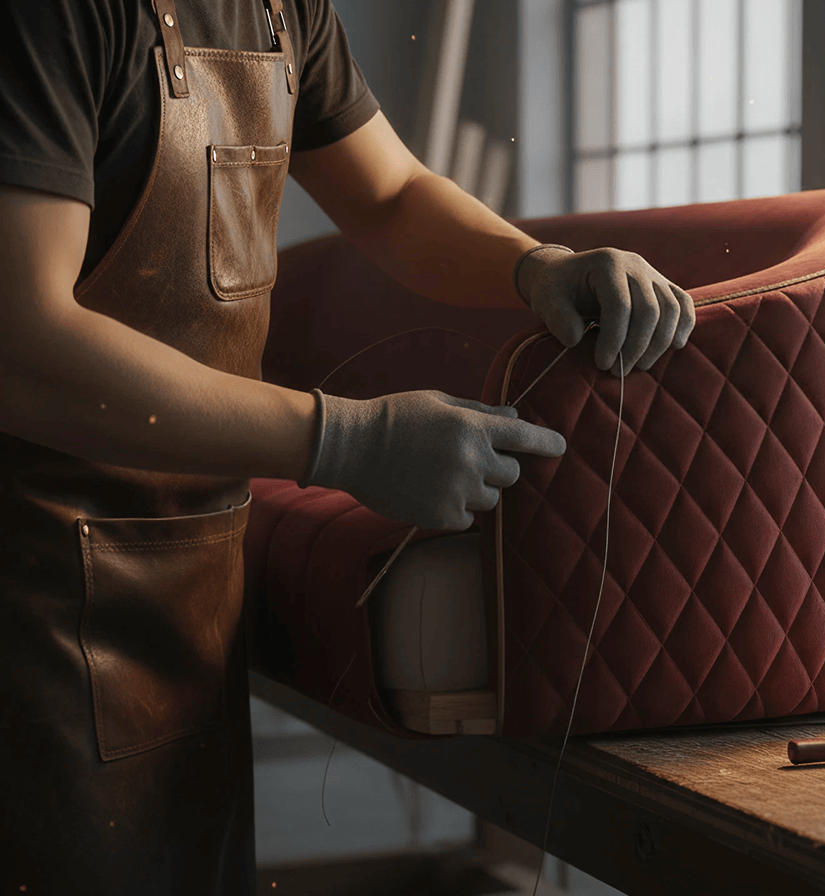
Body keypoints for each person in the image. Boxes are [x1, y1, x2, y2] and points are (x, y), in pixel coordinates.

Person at [0, 0, 695, 891]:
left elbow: (393, 197)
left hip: (193, 584)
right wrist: (348, 442)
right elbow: (22, 343)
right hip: (34, 600)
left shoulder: (287, 9)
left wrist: (536, 264)